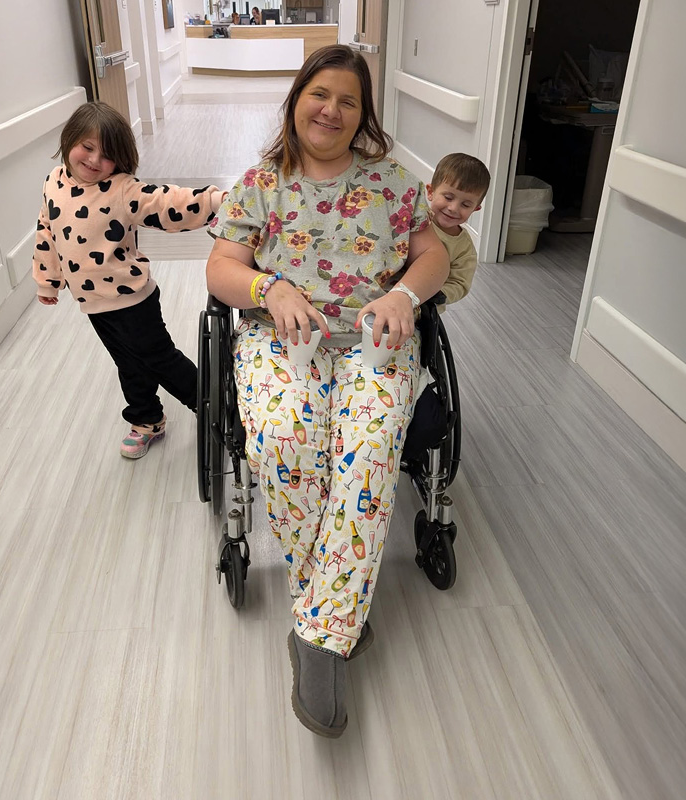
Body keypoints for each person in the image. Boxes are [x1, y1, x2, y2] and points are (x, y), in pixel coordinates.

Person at [206, 45, 449, 737]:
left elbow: (431, 251)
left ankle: (316, 636)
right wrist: (267, 285)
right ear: (296, 100)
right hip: (284, 339)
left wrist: (404, 291)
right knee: (285, 442)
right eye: (320, 94)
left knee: (368, 453)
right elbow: (219, 267)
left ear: (362, 114)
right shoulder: (262, 181)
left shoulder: (394, 181)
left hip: (373, 340)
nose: (331, 110)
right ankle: (338, 612)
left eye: (348, 101)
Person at [33, 102, 225, 459]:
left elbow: (166, 203)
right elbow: (46, 231)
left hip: (133, 300)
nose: (93, 161)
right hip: (92, 303)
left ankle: (217, 409)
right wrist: (48, 280)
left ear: (120, 161)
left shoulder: (121, 189)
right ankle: (146, 419)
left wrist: (213, 200)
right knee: (128, 363)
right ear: (70, 139)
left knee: (161, 359)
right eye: (87, 147)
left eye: (106, 156)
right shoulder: (53, 182)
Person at [426, 153, 491, 312]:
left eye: (466, 204)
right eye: (448, 197)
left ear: (475, 209)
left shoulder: (464, 248)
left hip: (424, 309)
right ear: (430, 191)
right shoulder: (411, 219)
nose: (453, 208)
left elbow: (460, 283)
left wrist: (439, 295)